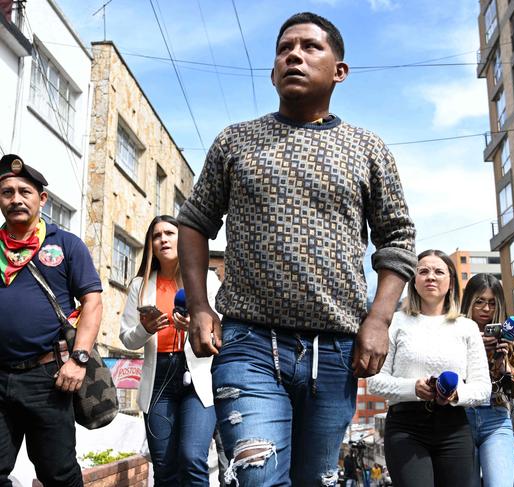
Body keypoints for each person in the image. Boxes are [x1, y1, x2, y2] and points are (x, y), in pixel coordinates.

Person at [177, 11, 417, 486]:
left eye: (310, 47)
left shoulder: (367, 149)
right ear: (272, 73)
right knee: (258, 476)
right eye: (285, 48)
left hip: (335, 352)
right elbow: (193, 222)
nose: (294, 55)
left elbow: (398, 239)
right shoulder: (235, 142)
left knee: (317, 479)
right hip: (247, 344)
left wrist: (379, 319)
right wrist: (201, 307)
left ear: (339, 70)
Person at [0, 154, 102, 486]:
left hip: (49, 378)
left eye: (24, 191)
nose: (15, 198)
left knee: (57, 474)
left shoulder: (65, 244)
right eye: (7, 192)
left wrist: (79, 358)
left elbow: (92, 302)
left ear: (41, 198)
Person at [367, 250, 491, 486]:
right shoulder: (394, 322)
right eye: (423, 271)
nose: (430, 277)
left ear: (451, 282)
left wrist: (456, 394)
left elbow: (483, 388)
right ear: (414, 281)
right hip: (406, 428)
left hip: (454, 428)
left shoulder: (467, 327)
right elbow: (374, 382)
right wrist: (413, 387)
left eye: (438, 271)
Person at [120, 215, 219, 486]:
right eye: (156, 235)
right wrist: (146, 329)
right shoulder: (140, 286)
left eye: (170, 233)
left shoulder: (206, 279)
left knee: (192, 458)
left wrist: (194, 327)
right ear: (150, 244)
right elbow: (126, 339)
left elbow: (221, 333)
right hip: (158, 380)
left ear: (182, 238)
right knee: (164, 467)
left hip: (197, 378)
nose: (163, 239)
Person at [459, 273, 514, 487]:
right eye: (479, 302)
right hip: (459, 419)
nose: (486, 309)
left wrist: (503, 365)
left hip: (496, 418)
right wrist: (472, 348)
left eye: (491, 303)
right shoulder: (454, 333)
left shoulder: (509, 339)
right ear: (468, 301)